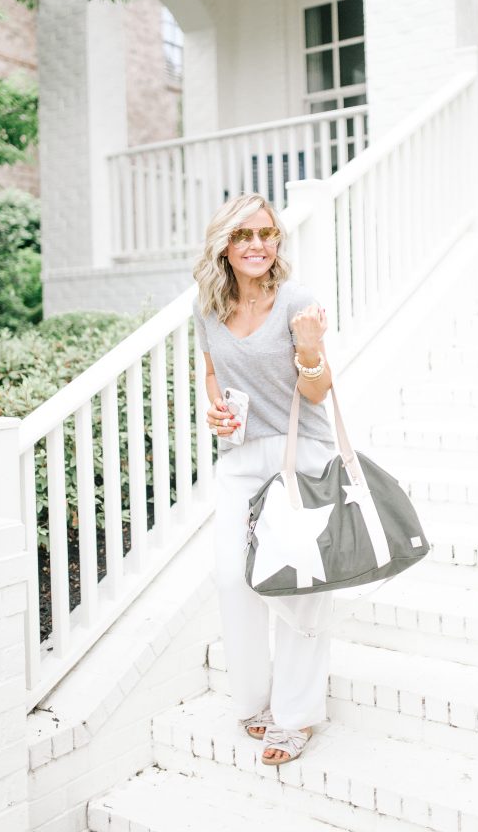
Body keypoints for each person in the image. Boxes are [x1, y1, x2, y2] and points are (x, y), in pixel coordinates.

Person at [192, 192, 336, 766]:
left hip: (299, 453)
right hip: (239, 454)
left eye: (266, 234)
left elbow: (319, 392)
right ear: (224, 244)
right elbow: (211, 372)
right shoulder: (207, 306)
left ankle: (296, 716)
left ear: (277, 241)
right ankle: (254, 698)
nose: (256, 245)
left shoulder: (296, 301)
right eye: (243, 235)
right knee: (233, 578)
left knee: (299, 589)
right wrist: (216, 409)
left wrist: (308, 346)